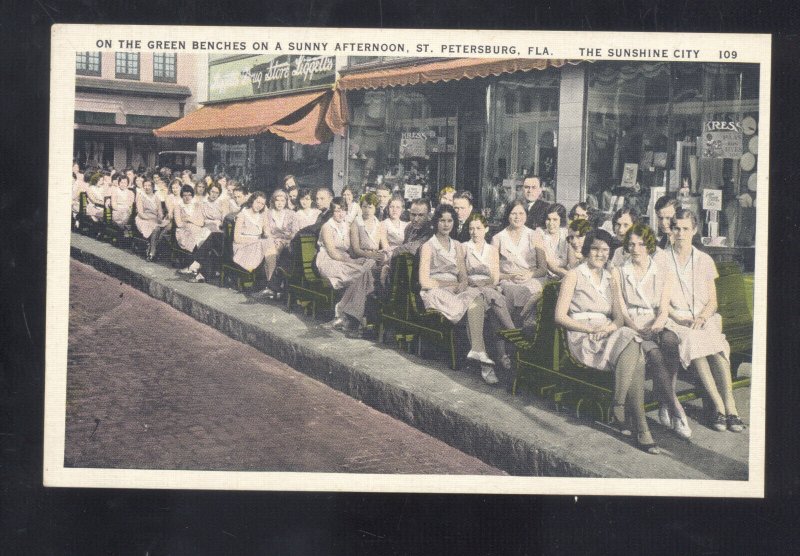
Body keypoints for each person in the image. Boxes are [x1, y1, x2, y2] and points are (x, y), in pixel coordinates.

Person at [554, 229, 660, 454]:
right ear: (586, 250)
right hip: (583, 336)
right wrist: (590, 328)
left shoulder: (611, 277)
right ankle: (641, 427)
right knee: (637, 355)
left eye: (605, 250)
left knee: (633, 344)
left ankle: (620, 405)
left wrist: (608, 328)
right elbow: (560, 316)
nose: (600, 254)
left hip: (606, 331)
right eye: (595, 249)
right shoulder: (574, 275)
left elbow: (619, 317)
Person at [663, 209, 744, 432]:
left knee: (717, 347)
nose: (680, 233)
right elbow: (659, 301)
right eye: (676, 228)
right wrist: (677, 316)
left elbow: (713, 302)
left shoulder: (704, 260)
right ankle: (718, 406)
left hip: (703, 316)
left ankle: (731, 407)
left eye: (685, 228)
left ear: (695, 230)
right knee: (694, 341)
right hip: (677, 319)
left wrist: (703, 317)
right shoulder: (661, 258)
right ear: (671, 230)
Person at [613, 223, 691, 439]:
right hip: (633, 325)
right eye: (631, 244)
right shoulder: (619, 272)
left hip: (656, 320)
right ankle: (676, 408)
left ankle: (665, 404)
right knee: (654, 355)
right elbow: (622, 309)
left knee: (670, 342)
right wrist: (636, 327)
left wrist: (657, 325)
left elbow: (664, 308)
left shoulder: (663, 271)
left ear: (649, 245)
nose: (636, 248)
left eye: (641, 244)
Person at [419, 205, 496, 378]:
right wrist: (449, 285)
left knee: (476, 299)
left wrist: (462, 284)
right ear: (436, 222)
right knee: (470, 307)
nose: (446, 225)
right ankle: (484, 363)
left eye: (450, 220)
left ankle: (478, 351)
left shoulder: (457, 246)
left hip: (455, 289)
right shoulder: (428, 246)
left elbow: (462, 275)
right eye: (442, 221)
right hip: (435, 291)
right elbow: (424, 281)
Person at [462, 213, 517, 378]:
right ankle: (488, 365)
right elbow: (462, 276)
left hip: (489, 288)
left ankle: (502, 354)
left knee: (494, 307)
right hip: (471, 289)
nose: (474, 232)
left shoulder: (492, 250)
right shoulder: (463, 247)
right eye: (471, 228)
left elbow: (494, 278)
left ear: (486, 229)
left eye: (478, 228)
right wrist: (475, 283)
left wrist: (485, 285)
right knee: (478, 304)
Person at [316, 197, 376, 337]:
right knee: (362, 273)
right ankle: (348, 315)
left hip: (345, 260)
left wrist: (362, 256)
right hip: (329, 260)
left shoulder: (346, 226)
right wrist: (352, 262)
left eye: (343, 210)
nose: (340, 213)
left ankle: (341, 311)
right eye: (336, 210)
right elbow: (332, 252)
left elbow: (352, 250)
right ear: (332, 212)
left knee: (367, 267)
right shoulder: (327, 227)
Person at [491, 200, 547, 326]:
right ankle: (512, 329)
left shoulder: (534, 235)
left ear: (526, 215)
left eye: (521, 213)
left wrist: (529, 275)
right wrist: (510, 277)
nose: (517, 217)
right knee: (511, 291)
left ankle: (527, 327)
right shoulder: (498, 238)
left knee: (532, 290)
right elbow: (494, 273)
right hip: (509, 280)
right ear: (508, 215)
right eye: (513, 213)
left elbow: (543, 269)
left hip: (533, 278)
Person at [231, 191, 278, 298]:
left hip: (258, 245)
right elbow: (237, 238)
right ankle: (270, 286)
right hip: (243, 246)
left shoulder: (262, 215)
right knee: (267, 247)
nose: (259, 206)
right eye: (258, 202)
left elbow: (266, 232)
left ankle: (269, 286)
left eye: (262, 204)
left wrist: (267, 233)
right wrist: (255, 240)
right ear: (252, 200)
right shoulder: (242, 215)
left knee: (269, 244)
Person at [175, 185, 219, 284]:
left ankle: (195, 266)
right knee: (196, 238)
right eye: (184, 195)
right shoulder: (178, 207)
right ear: (182, 196)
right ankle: (198, 267)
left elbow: (201, 222)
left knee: (205, 238)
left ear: (192, 196)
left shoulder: (197, 205)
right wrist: (192, 223)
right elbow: (179, 223)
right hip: (184, 231)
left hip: (198, 229)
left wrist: (189, 219)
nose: (187, 197)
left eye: (189, 195)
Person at [135, 177, 169, 261]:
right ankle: (152, 252)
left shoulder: (156, 197)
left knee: (166, 227)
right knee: (156, 228)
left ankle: (152, 246)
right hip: (143, 219)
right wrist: (151, 219)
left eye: (149, 185)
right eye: (145, 185)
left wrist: (160, 217)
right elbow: (140, 213)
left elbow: (160, 212)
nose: (147, 187)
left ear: (152, 187)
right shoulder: (140, 196)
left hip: (155, 219)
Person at [350, 192, 387, 264]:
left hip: (376, 257)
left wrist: (383, 255)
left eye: (370, 207)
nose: (367, 210)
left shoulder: (379, 224)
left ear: (375, 208)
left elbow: (385, 245)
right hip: (361, 257)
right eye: (364, 207)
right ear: (361, 207)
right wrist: (370, 255)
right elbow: (356, 249)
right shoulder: (356, 223)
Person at [535, 203, 569, 279]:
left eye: (555, 219)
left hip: (565, 275)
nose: (551, 223)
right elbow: (550, 265)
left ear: (561, 220)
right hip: (546, 276)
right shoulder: (540, 233)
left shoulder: (566, 234)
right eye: (548, 219)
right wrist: (571, 277)